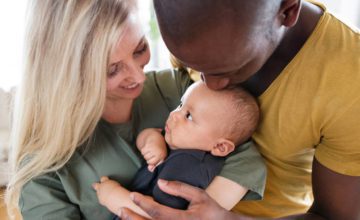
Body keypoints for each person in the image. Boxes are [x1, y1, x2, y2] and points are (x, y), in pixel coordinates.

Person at [5, 1, 266, 219]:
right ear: (68, 73)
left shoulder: (177, 90)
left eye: (140, 49)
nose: (138, 77)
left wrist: (203, 214)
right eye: (111, 70)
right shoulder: (45, 163)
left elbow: (243, 150)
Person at [120, 0, 360, 219]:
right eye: (195, 66)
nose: (209, 84)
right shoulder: (192, 24)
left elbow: (335, 217)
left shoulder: (349, 80)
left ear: (287, 10)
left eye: (228, 70)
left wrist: (225, 218)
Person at [93, 81, 262, 218]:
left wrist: (114, 197)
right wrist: (152, 140)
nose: (175, 114)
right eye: (181, 104)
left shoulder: (189, 166)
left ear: (220, 146)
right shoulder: (180, 141)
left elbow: (158, 213)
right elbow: (146, 135)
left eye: (188, 116)